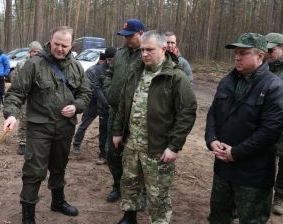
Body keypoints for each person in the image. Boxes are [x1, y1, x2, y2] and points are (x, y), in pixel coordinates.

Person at [3, 26, 91, 224]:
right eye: (56, 44)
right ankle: (28, 216)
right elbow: (16, 93)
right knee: (34, 171)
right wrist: (11, 114)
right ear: (50, 41)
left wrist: (76, 106)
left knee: (59, 167)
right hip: (39, 128)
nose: (59, 48)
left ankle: (57, 202)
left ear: (71, 46)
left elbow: (86, 93)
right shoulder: (34, 65)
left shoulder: (77, 67)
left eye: (64, 45)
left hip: (65, 128)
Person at [113, 30, 197, 223]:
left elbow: (187, 113)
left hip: (158, 149)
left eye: (149, 50)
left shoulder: (175, 77)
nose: (144, 54)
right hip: (132, 144)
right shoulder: (135, 72)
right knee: (129, 183)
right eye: (142, 50)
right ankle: (129, 216)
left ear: (164, 48)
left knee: (157, 193)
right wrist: (118, 131)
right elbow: (124, 104)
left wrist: (174, 146)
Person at [205, 33, 283, 223]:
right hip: (223, 170)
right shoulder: (228, 81)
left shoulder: (274, 87)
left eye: (243, 53)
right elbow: (213, 112)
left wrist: (237, 153)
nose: (237, 57)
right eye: (236, 52)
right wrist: (211, 139)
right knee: (218, 217)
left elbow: (270, 131)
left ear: (260, 56)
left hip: (254, 174)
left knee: (251, 219)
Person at [103, 18, 145, 203]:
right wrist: (109, 90)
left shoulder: (147, 54)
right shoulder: (120, 54)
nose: (126, 40)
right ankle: (117, 186)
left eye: (130, 36)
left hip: (138, 116)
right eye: (124, 36)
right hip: (115, 111)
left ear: (141, 34)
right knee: (112, 152)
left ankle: (140, 193)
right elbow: (109, 74)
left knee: (138, 156)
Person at [71, 47, 117, 165]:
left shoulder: (118, 70)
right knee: (84, 125)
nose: (109, 62)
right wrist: (105, 102)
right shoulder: (93, 70)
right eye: (108, 60)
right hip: (94, 104)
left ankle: (108, 154)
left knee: (111, 130)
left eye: (113, 60)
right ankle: (76, 145)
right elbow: (94, 88)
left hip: (108, 106)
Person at [265, 32, 283, 215]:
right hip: (266, 124)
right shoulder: (263, 66)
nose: (268, 53)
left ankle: (280, 196)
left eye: (271, 50)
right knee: (262, 162)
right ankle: (259, 198)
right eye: (265, 49)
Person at [16, 41, 43, 155]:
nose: (36, 53)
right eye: (34, 51)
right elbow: (18, 82)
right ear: (29, 52)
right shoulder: (22, 64)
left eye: (38, 51)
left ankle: (35, 142)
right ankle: (22, 143)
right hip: (26, 96)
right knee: (23, 120)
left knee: (38, 119)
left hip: (39, 98)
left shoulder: (45, 64)